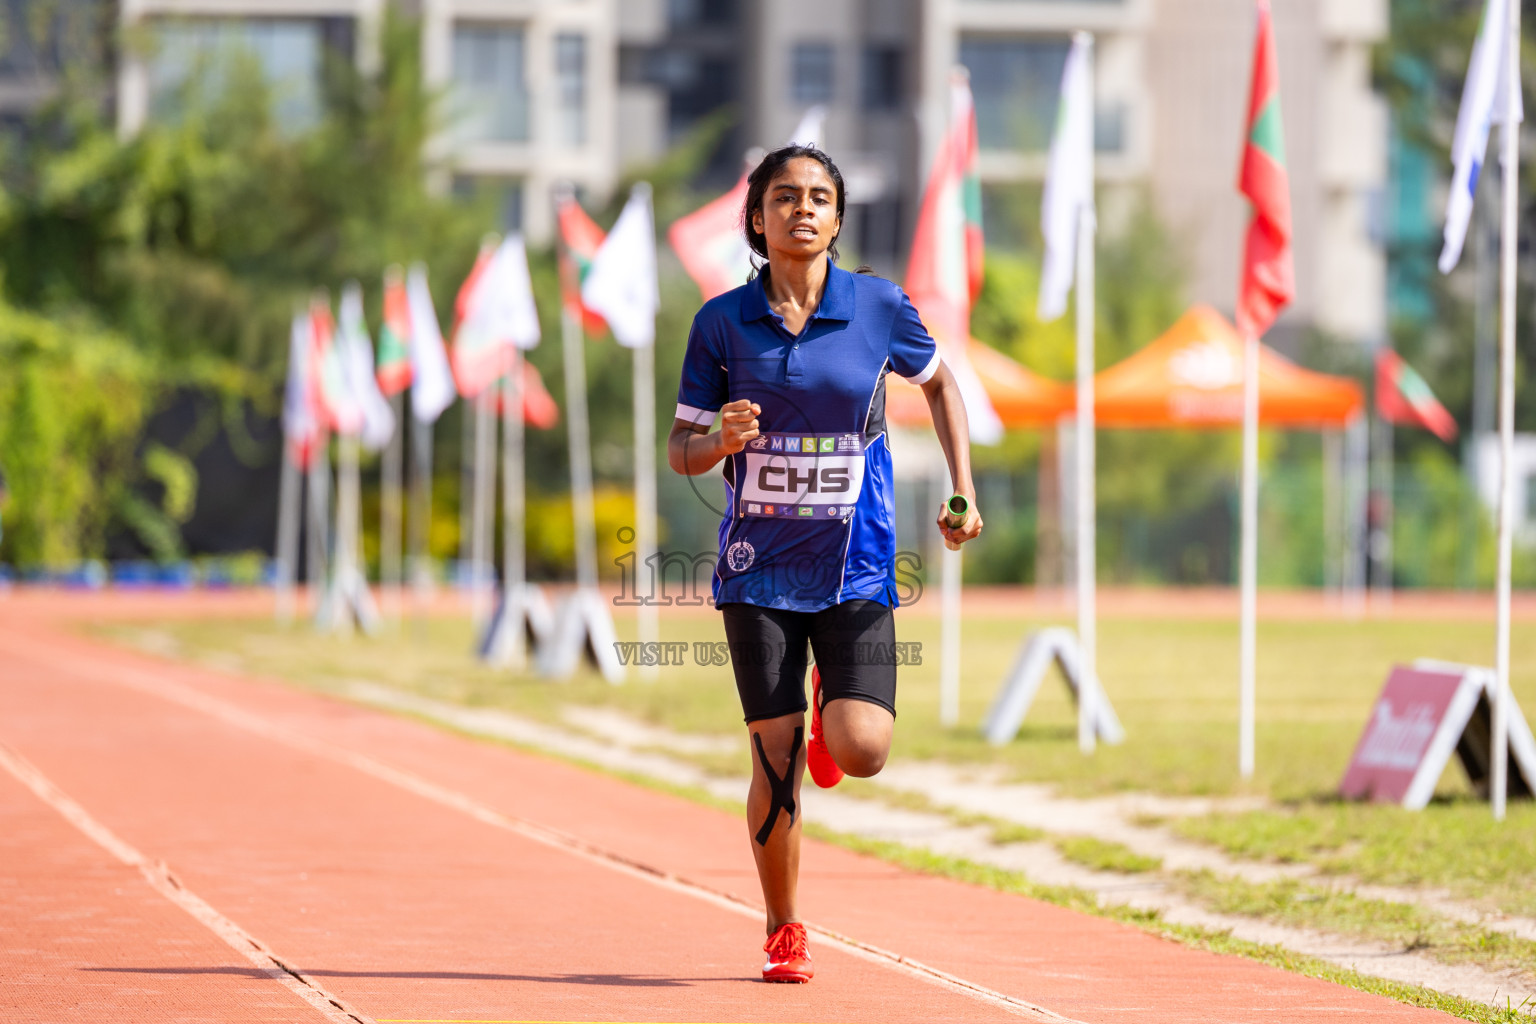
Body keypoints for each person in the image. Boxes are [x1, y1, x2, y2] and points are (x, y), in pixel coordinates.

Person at [667, 144, 982, 983]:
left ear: (838, 219)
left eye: (818, 198)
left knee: (864, 746)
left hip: (859, 569)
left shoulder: (878, 307)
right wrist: (718, 442)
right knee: (776, 757)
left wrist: (962, 491)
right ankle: (784, 928)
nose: (802, 210)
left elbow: (943, 385)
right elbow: (679, 451)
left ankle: (830, 707)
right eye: (784, 197)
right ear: (758, 218)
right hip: (757, 573)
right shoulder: (722, 323)